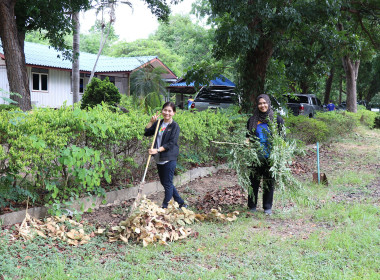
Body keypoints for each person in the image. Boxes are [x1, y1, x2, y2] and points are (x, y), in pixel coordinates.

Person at [246, 94, 284, 215]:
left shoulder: (277, 120)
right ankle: (252, 206)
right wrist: (246, 144)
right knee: (253, 182)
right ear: (257, 105)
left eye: (264, 103)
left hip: (270, 156)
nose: (262, 105)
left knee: (269, 182)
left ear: (268, 103)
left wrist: (279, 153)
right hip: (255, 156)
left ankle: (267, 207)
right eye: (260, 103)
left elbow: (282, 138)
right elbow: (248, 137)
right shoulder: (252, 120)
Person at [144, 102, 187, 209]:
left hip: (169, 157)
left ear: (174, 113)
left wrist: (157, 150)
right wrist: (151, 122)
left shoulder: (174, 126)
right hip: (159, 158)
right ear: (162, 111)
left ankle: (165, 206)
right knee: (165, 182)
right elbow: (147, 133)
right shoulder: (159, 123)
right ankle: (181, 203)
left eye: (169, 111)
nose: (167, 113)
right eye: (165, 110)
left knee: (167, 183)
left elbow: (171, 143)